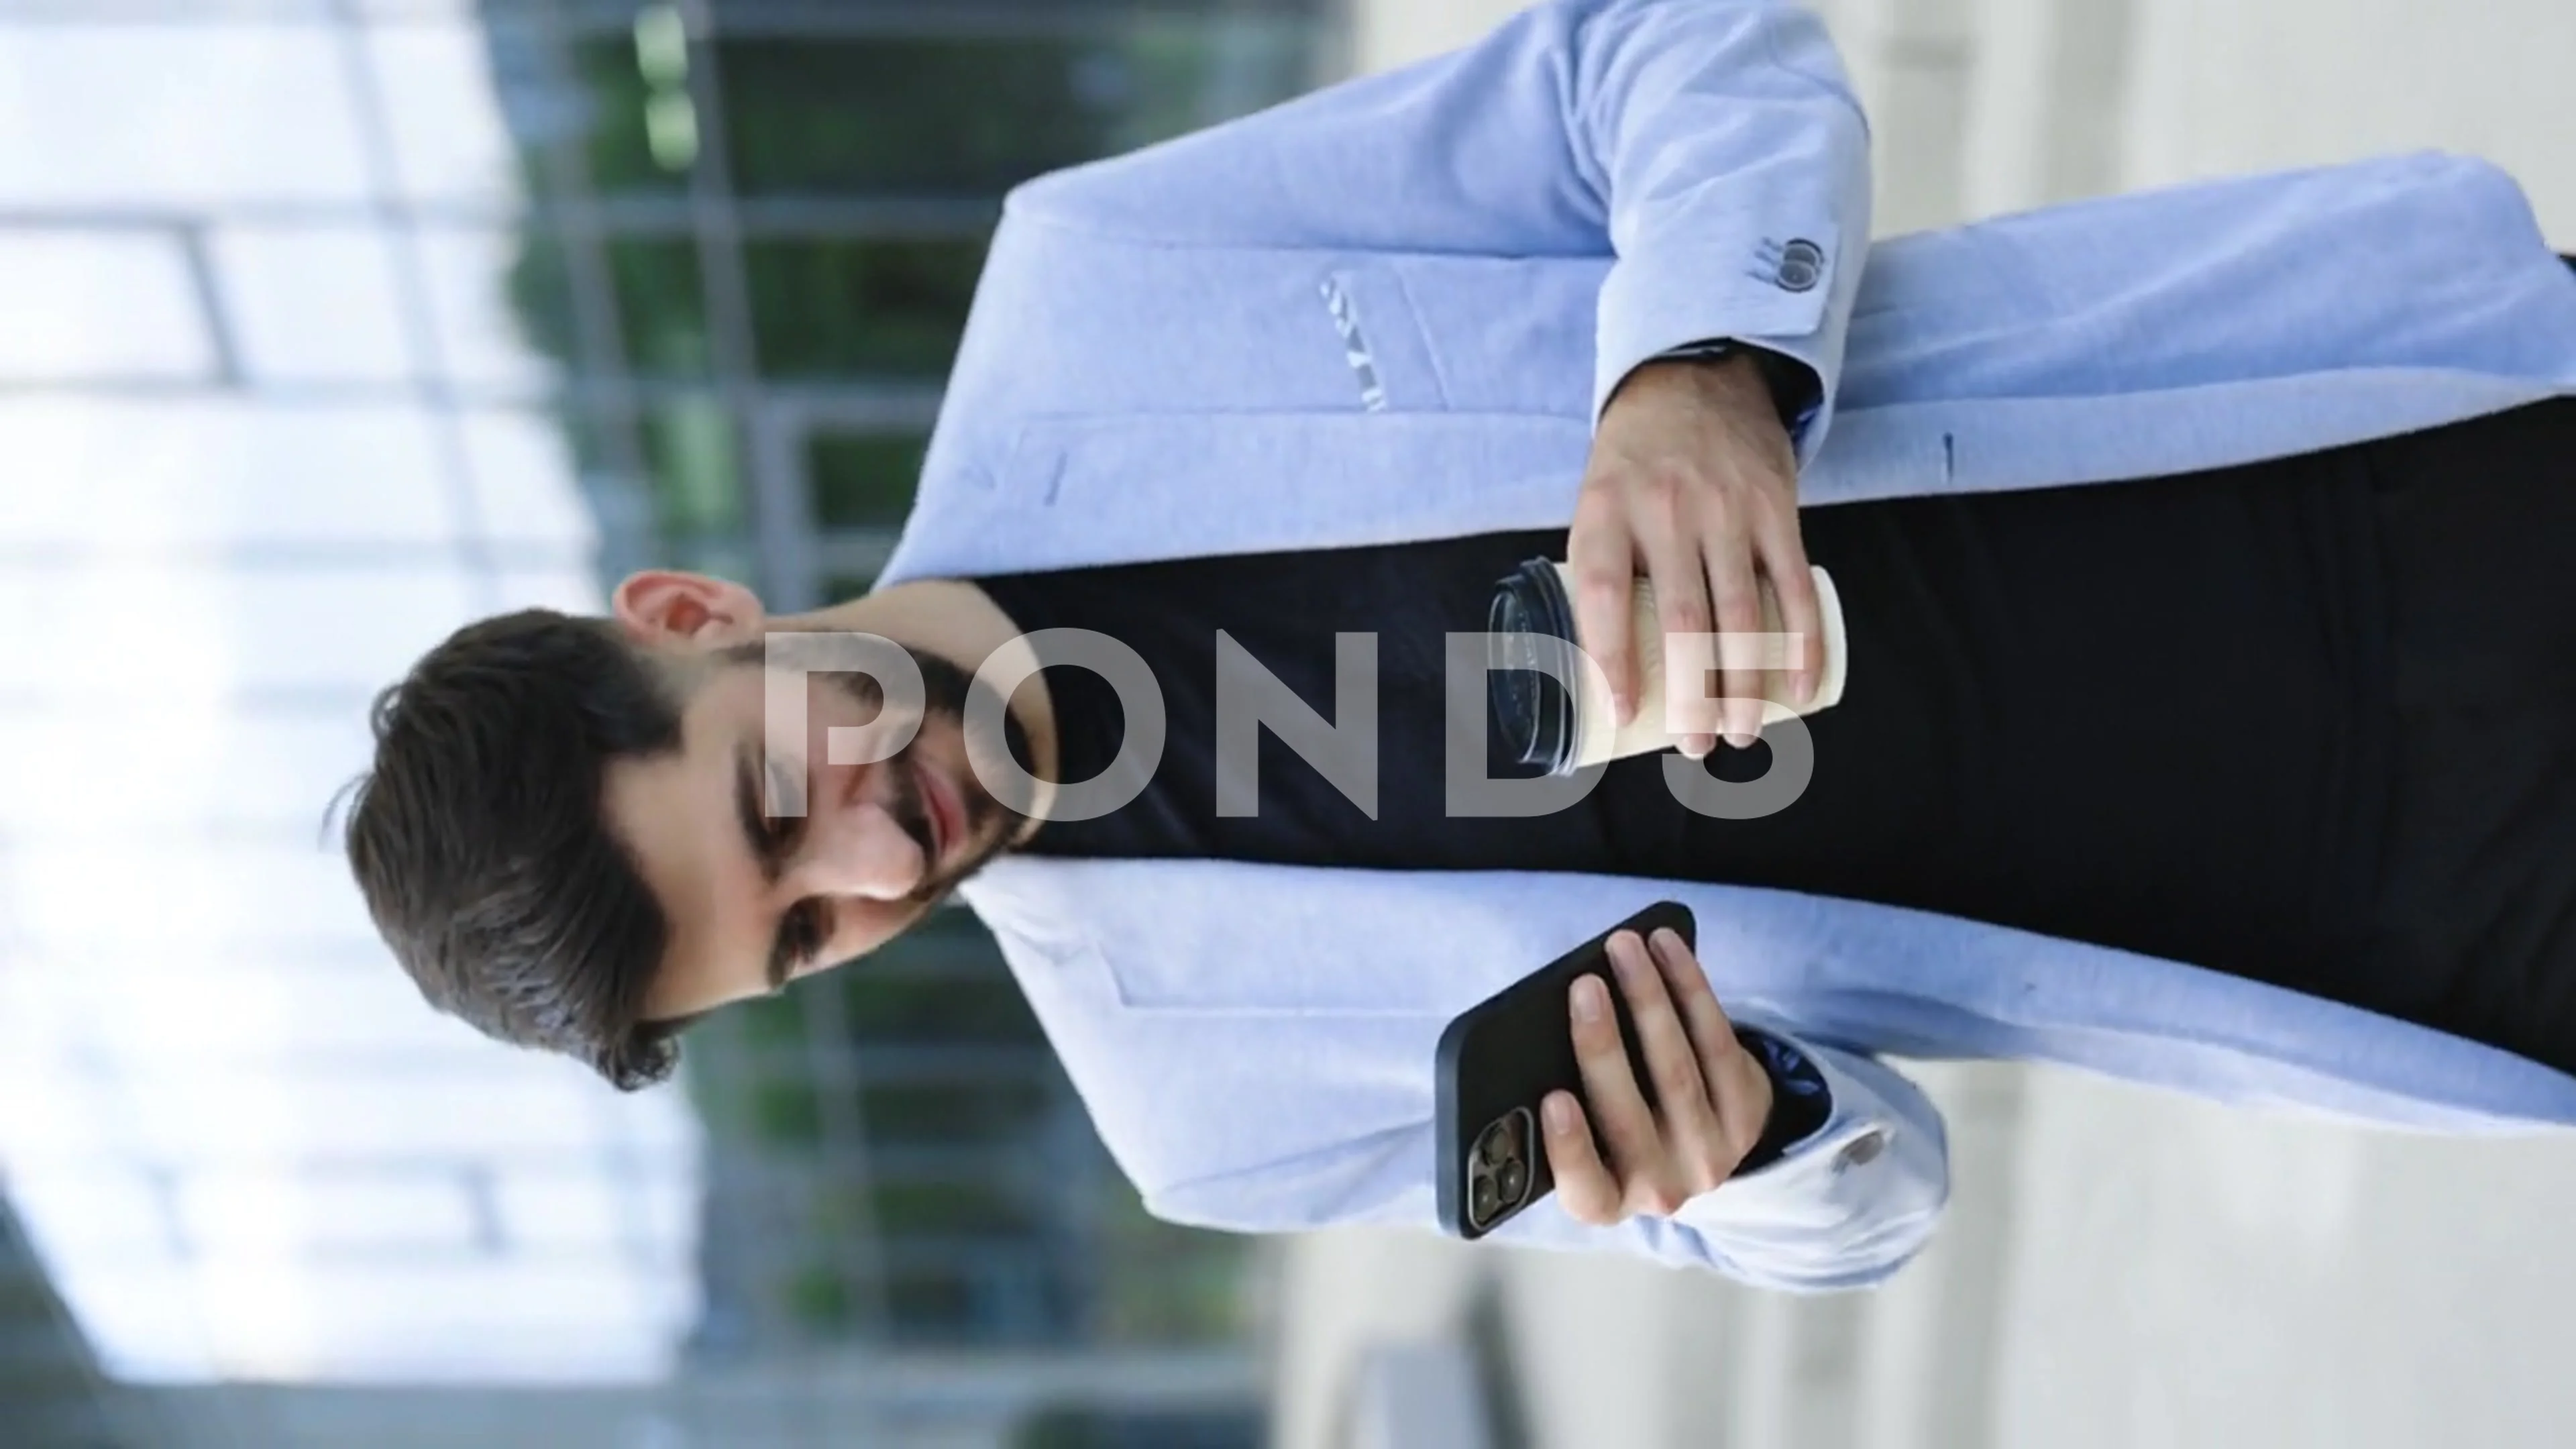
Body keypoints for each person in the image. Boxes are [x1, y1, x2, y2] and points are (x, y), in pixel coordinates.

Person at [341, 0, 2576, 1291]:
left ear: (690, 616)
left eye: (773, 789)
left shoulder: (1091, 296)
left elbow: (1663, 53)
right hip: (2409, 934)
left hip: (2394, 469)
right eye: (803, 936)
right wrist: (1747, 1150)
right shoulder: (1198, 1113)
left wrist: (1690, 365)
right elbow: (1858, 1210)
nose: (874, 860)